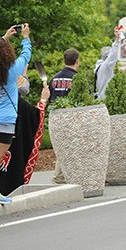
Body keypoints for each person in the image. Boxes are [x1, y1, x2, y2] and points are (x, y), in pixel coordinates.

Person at [0, 24, 32, 204]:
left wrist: (4, 38)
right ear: (7, 54)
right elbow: (26, 56)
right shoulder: (12, 71)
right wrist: (25, 37)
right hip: (4, 121)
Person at [49, 48, 79, 184]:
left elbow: (49, 98)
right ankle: (63, 176)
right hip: (71, 116)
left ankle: (59, 176)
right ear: (77, 60)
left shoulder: (55, 78)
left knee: (61, 147)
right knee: (71, 147)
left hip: (55, 116)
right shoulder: (76, 78)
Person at [94, 27, 122, 100]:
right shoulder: (106, 67)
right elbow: (111, 57)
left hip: (100, 98)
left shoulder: (99, 68)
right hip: (106, 100)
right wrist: (117, 40)